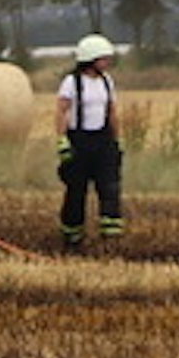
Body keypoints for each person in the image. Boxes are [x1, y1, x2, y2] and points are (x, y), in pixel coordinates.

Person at [56, 33, 124, 249]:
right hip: (79, 142)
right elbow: (61, 112)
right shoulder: (71, 82)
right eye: (103, 58)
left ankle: (110, 236)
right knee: (76, 191)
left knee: (110, 188)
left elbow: (112, 111)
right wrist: (62, 142)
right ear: (90, 59)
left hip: (102, 141)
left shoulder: (107, 81)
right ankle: (72, 236)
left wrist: (116, 140)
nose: (107, 62)